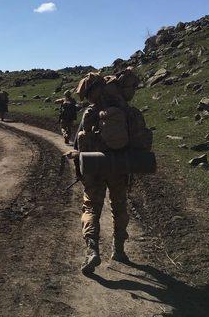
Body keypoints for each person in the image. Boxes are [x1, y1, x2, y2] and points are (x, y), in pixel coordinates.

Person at [73, 72, 130, 275]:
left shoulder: (90, 113)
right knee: (119, 206)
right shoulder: (123, 109)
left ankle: (92, 251)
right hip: (119, 167)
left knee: (91, 208)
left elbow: (78, 144)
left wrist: (77, 164)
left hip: (95, 169)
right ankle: (119, 250)